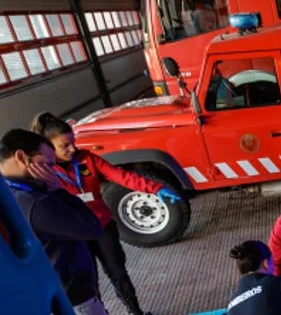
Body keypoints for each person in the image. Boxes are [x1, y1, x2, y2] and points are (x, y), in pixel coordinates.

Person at [32, 112, 182, 315]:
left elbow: (121, 176)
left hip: (102, 226)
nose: (73, 149)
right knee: (88, 280)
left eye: (73, 142)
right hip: (76, 235)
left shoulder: (86, 159)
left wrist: (154, 187)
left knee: (118, 272)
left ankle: (135, 311)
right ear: (48, 148)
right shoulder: (44, 173)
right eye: (64, 146)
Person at [0, 128, 107, 314]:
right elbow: (91, 227)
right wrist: (58, 190)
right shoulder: (35, 202)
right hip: (72, 297)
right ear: (21, 157)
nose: (52, 171)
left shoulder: (9, 194)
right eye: (48, 165)